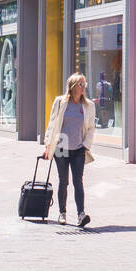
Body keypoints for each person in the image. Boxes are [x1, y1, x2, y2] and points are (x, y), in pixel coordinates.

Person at [42, 72, 96, 227]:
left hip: (79, 147)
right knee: (63, 181)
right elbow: (52, 124)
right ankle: (62, 213)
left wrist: (86, 145)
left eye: (84, 83)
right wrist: (48, 144)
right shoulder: (60, 102)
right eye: (80, 84)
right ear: (72, 86)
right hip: (61, 145)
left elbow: (91, 128)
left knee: (78, 181)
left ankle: (81, 214)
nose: (83, 86)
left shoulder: (88, 106)